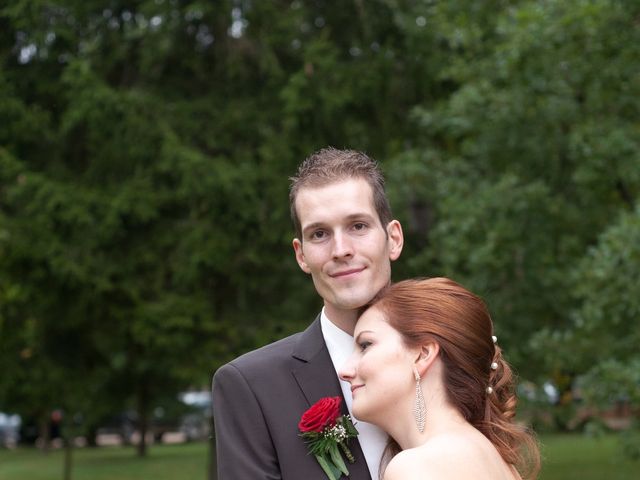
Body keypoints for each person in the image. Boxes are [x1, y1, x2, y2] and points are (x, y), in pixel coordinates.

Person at [212, 147, 404, 479]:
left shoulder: (449, 355)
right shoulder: (251, 387)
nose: (341, 250)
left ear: (393, 239)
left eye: (358, 226)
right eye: (319, 234)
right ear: (301, 255)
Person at [339, 278, 540, 480]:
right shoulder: (497, 460)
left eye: (365, 345)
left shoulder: (416, 467)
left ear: (423, 354)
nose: (345, 370)